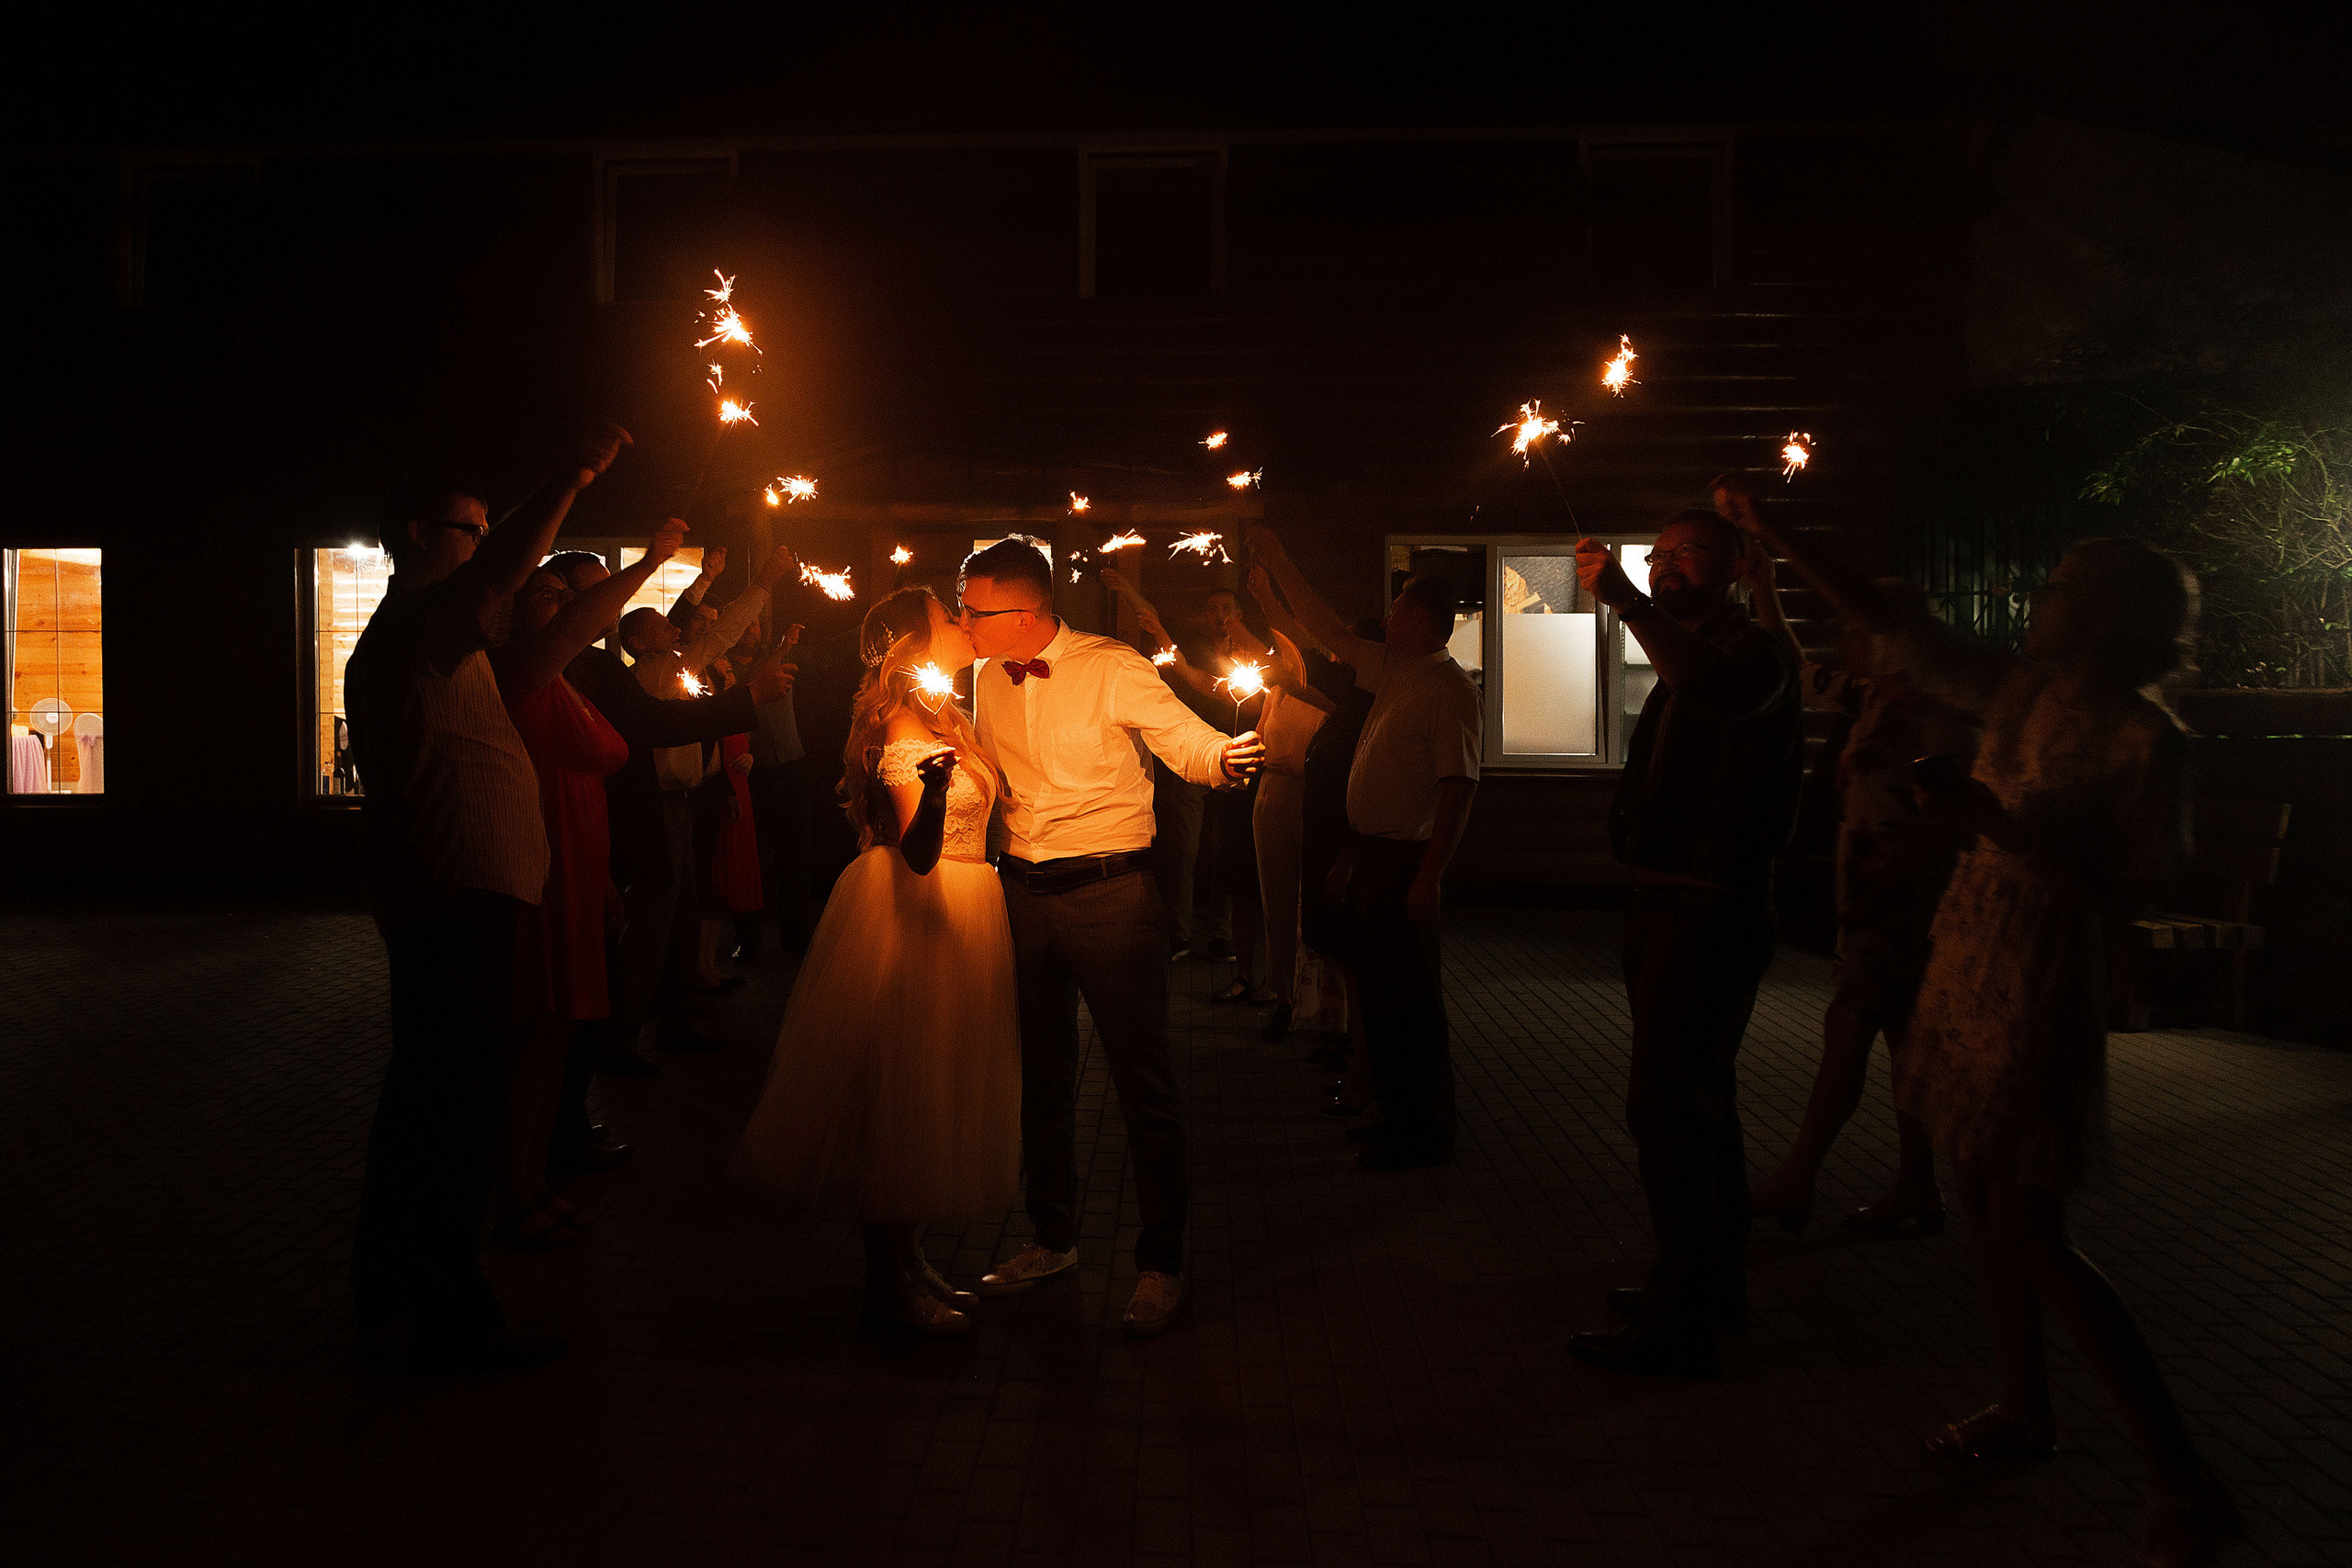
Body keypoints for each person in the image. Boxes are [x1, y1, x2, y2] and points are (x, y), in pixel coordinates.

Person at [1734, 507, 2238, 1568]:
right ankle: (2022, 1405)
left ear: (2104, 617)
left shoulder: (2146, 739)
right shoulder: (2019, 695)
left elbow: (2131, 892)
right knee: (1977, 1199)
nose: (2036, 602)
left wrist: (1993, 826)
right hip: (1967, 959)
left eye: (2058, 589)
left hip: (2036, 976)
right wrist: (1771, 526)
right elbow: (1890, 627)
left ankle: (2181, 1477)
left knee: (2033, 1227)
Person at [343, 423, 628, 1373]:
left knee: (434, 1102)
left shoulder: (443, 638)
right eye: (470, 530)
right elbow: (504, 576)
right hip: (453, 894)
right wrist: (570, 476)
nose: (486, 548)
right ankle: (445, 1316)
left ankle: (397, 1295)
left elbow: (550, 625)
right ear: (419, 536)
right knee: (452, 1112)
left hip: (466, 892)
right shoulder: (418, 626)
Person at [958, 536, 1264, 1338]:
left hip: (1112, 893)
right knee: (1042, 1075)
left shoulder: (1111, 665)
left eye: (973, 609)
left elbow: (1183, 737)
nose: (963, 622)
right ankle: (1052, 1237)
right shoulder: (984, 675)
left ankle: (1162, 1263)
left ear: (1024, 611)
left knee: (1142, 1082)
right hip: (1021, 891)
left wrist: (1224, 756)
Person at [733, 587, 1018, 1336]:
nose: (962, 621)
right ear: (911, 643)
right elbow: (918, 852)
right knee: (898, 1096)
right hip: (914, 908)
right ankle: (886, 1286)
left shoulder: (945, 712)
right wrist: (935, 793)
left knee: (932, 1091)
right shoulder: (899, 723)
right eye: (947, 615)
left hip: (965, 909)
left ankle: (911, 1259)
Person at [1566, 504, 1804, 1380]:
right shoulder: (1693, 650)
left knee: (1671, 1108)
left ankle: (1683, 1316)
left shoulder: (1754, 653)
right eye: (1657, 554)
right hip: (1670, 900)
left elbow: (1714, 686)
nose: (1666, 565)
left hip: (1710, 910)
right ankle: (1709, 1286)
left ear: (1736, 568)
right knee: (1695, 1103)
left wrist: (1628, 601)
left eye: (1688, 552)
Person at [1730, 491, 1972, 1235]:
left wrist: (1898, 882)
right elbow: (1799, 671)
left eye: (1858, 629)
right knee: (1901, 1039)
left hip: (1898, 900)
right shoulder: (1872, 698)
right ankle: (1917, 1184)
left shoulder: (1930, 711)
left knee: (1849, 1030)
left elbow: (1953, 817)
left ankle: (1798, 1177)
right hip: (1871, 895)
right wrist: (1765, 588)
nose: (1847, 639)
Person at [1251, 529, 1481, 1172]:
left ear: (1425, 621)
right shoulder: (1395, 671)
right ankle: (1397, 1119)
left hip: (1408, 863)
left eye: (1399, 608)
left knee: (1413, 1003)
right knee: (1381, 999)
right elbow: (1327, 630)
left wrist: (1431, 875)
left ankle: (1426, 1132)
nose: (1387, 618)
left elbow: (1457, 787)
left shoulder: (1449, 688)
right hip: (1376, 858)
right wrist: (1280, 562)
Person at [488, 522, 684, 1249]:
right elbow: (576, 626)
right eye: (544, 594)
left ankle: (536, 1176)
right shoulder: (525, 671)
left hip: (578, 864)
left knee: (558, 1034)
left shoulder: (571, 678)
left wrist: (601, 876)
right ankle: (515, 1187)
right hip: (545, 864)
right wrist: (653, 560)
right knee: (536, 1036)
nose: (563, 604)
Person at [571, 546, 795, 1065]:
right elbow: (712, 642)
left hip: (681, 803)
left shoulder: (656, 665)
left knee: (681, 919)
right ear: (639, 642)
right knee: (654, 924)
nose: (675, 628)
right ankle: (622, 1039)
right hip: (656, 807)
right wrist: (761, 585)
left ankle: (672, 1020)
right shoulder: (650, 673)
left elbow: (711, 634)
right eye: (662, 626)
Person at [1102, 570, 1275, 1004]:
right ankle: (1179, 934)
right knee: (1184, 847)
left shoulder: (1256, 654)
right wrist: (1129, 592)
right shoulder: (1195, 649)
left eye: (1227, 609)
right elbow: (1177, 657)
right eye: (1213, 609)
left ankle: (1220, 935)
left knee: (1226, 851)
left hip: (1239, 766)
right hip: (1192, 760)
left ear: (1239, 614)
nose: (1219, 616)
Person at [1244, 565, 1334, 1043]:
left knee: (1312, 901)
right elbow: (1260, 734)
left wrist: (1266, 597)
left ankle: (1323, 1007)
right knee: (1275, 898)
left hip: (1312, 794)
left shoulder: (1328, 687)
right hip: (1273, 792)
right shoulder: (1277, 689)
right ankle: (1282, 996)